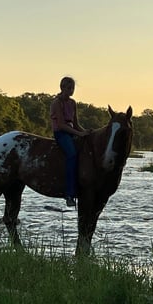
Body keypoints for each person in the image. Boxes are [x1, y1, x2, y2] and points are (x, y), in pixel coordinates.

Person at [50, 76, 89, 207]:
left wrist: (87, 133)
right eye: (68, 88)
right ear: (62, 88)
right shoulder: (57, 103)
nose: (71, 90)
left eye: (72, 88)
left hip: (71, 131)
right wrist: (78, 134)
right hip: (61, 133)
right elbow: (61, 124)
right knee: (72, 154)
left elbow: (76, 124)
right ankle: (69, 193)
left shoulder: (72, 103)